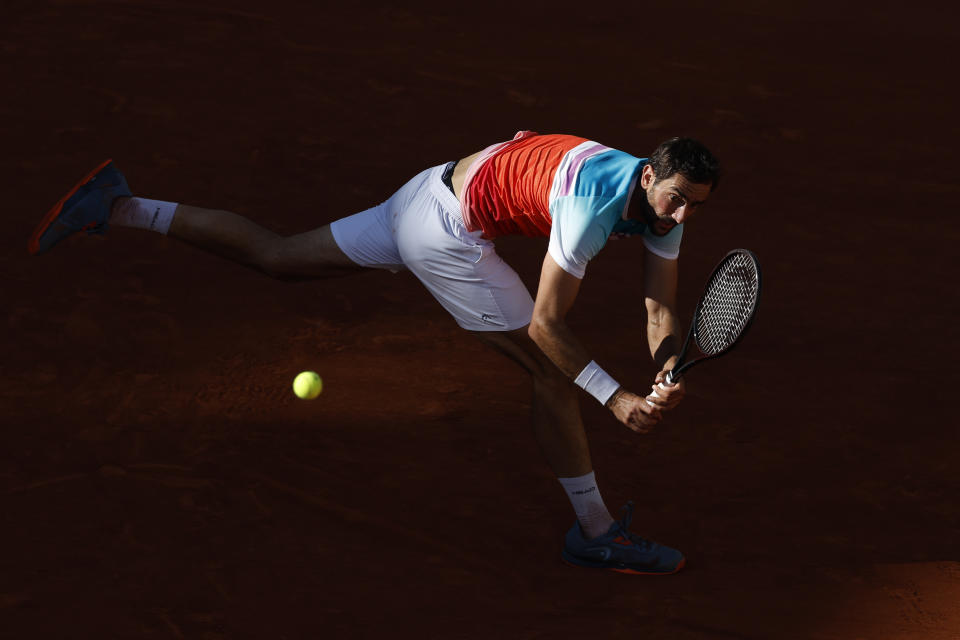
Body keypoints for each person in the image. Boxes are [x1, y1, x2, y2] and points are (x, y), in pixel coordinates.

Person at [29, 130, 720, 575]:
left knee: (280, 256)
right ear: (647, 177)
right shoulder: (592, 203)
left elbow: (660, 306)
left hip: (422, 193)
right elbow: (546, 324)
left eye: (696, 206)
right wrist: (618, 396)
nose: (681, 215)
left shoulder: (655, 201)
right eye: (677, 200)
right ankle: (594, 532)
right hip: (446, 234)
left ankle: (120, 207)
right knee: (551, 375)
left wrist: (664, 365)